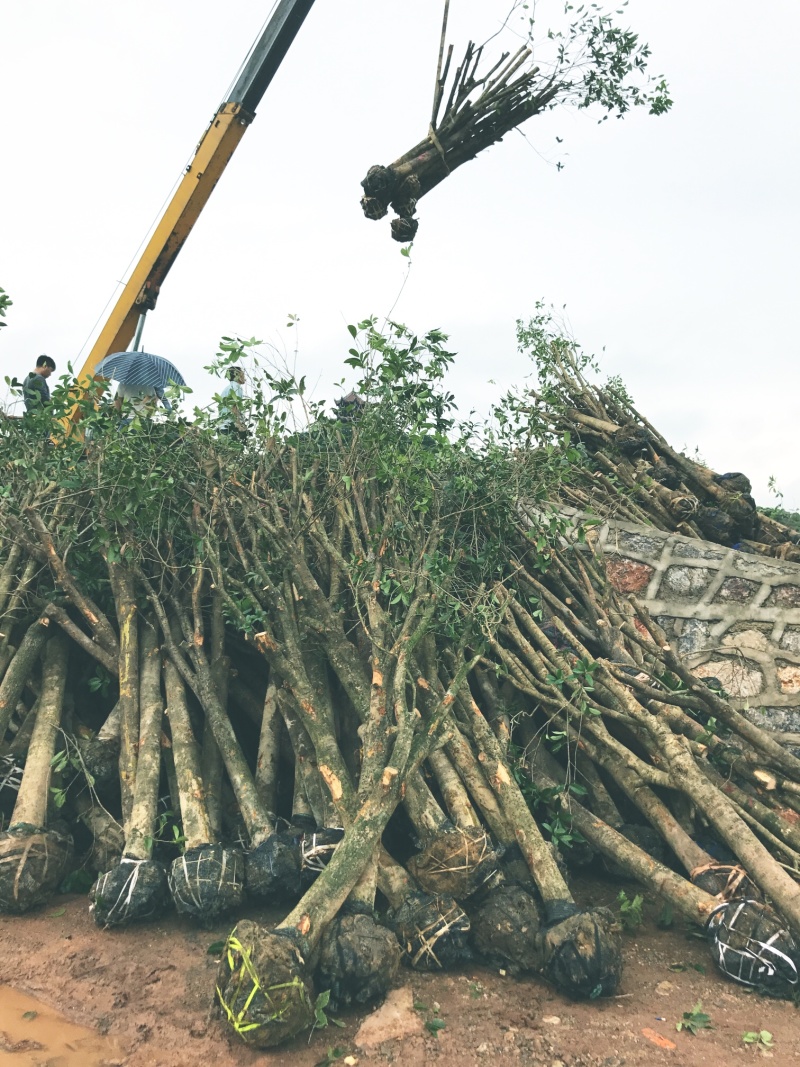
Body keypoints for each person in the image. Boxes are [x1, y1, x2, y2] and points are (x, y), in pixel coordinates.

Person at [216, 366, 247, 437]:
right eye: (243, 375)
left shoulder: (227, 388)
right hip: (230, 427)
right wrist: (239, 425)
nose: (245, 378)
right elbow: (234, 406)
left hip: (223, 426)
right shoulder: (236, 387)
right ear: (237, 375)